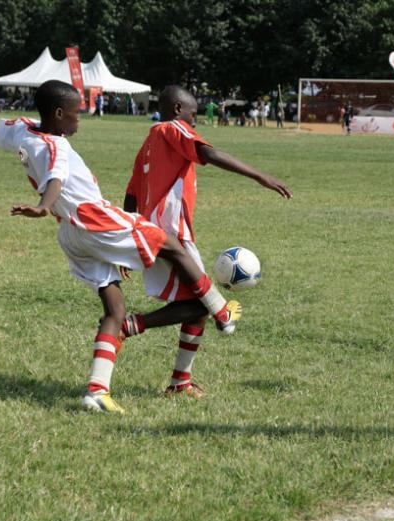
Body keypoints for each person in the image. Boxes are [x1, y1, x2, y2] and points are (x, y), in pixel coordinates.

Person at [0, 80, 240, 413]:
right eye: (75, 113)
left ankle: (96, 391)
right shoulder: (57, 147)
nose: (79, 119)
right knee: (171, 245)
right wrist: (43, 204)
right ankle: (222, 311)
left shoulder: (22, 130)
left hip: (71, 233)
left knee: (115, 310)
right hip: (95, 220)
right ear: (58, 114)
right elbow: (56, 179)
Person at [121, 85, 292, 397]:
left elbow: (131, 195)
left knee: (196, 307)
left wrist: (124, 242)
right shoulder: (173, 128)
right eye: (193, 114)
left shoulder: (147, 142)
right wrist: (260, 176)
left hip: (150, 229)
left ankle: (179, 381)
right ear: (177, 110)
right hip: (169, 229)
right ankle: (132, 326)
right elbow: (208, 153)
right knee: (206, 303)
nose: (194, 122)